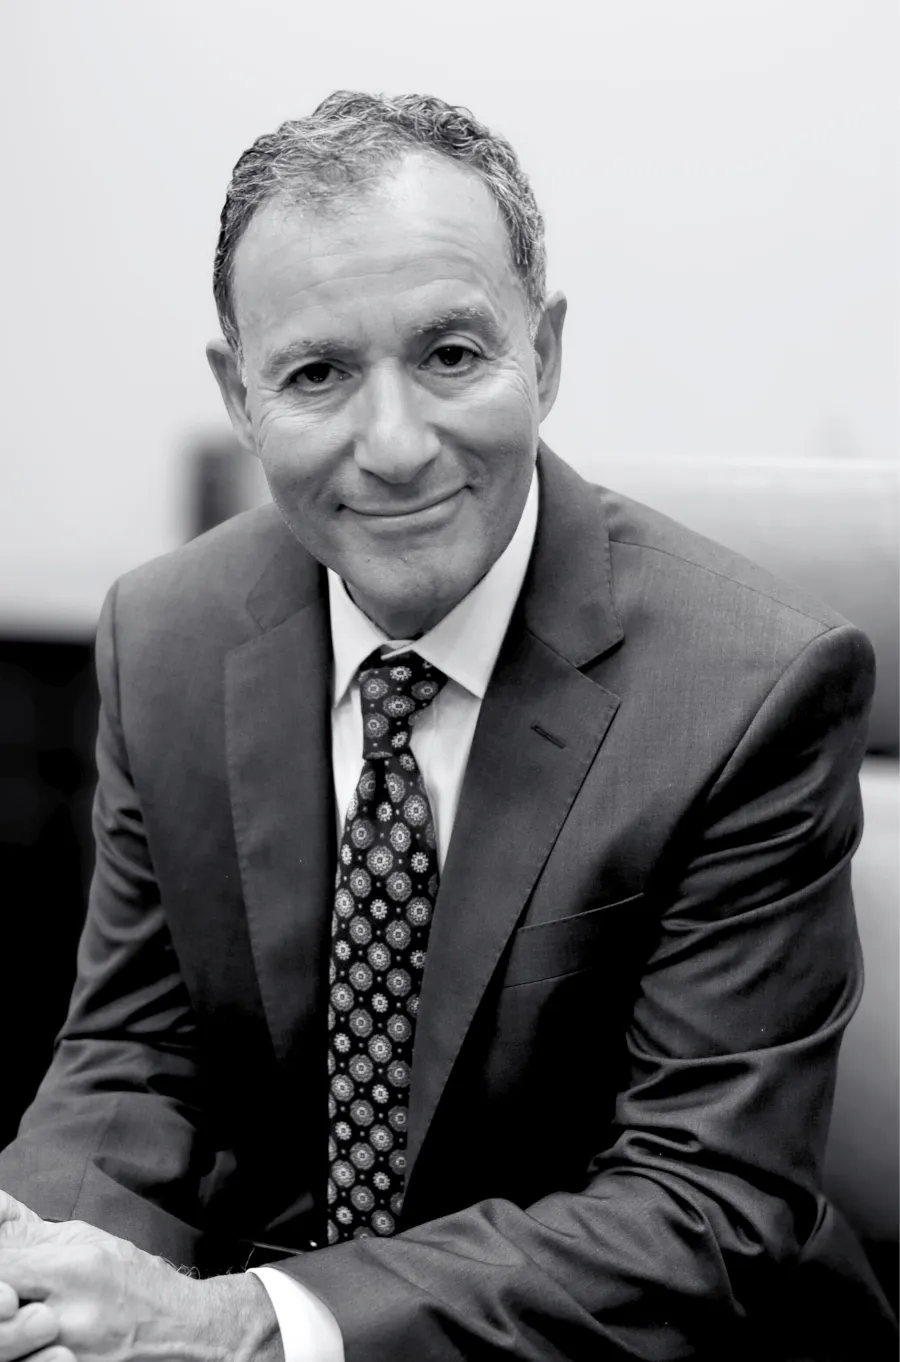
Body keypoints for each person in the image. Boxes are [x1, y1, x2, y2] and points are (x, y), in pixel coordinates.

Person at [0, 90, 894, 1362]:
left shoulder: (753, 687)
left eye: (452, 355)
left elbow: (701, 1208)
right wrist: (42, 1281)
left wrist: (251, 1328)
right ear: (240, 395)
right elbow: (138, 1056)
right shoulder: (168, 635)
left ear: (550, 352)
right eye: (315, 374)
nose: (396, 444)